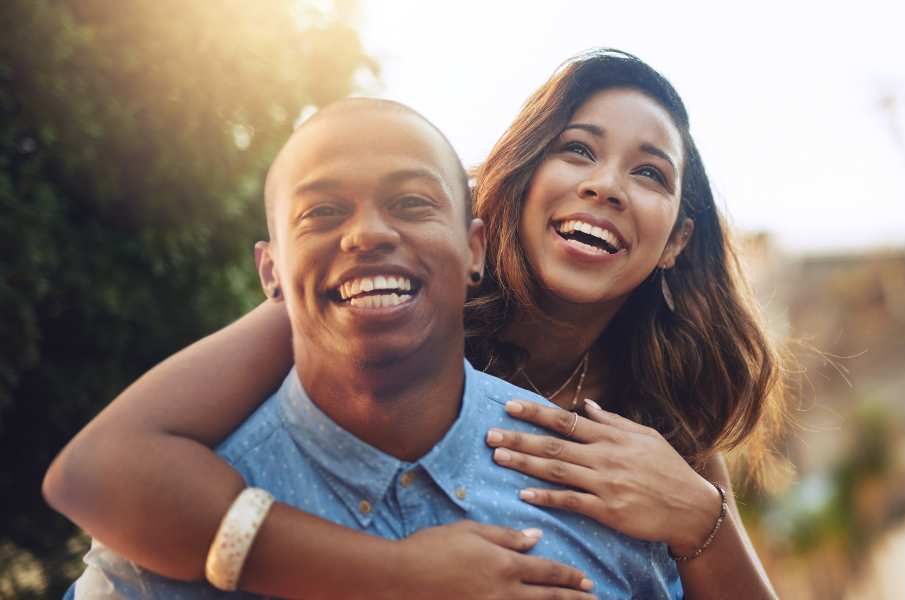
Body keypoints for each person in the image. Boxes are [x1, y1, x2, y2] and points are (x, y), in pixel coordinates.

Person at [45, 50, 785, 599]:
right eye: (577, 150)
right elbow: (105, 469)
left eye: (649, 172)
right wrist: (398, 574)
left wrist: (700, 521)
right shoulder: (390, 303)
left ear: (677, 242)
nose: (605, 185)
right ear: (507, 196)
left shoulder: (659, 426)